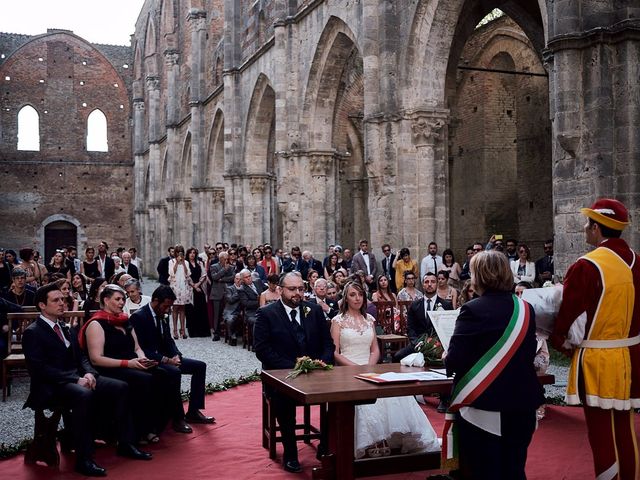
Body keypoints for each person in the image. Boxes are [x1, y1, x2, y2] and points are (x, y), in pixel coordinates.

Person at [550, 198, 640, 479]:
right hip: (631, 357)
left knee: (601, 434)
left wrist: (559, 341)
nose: (585, 228)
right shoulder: (638, 261)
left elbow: (570, 320)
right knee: (626, 429)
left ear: (597, 228)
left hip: (598, 360)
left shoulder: (586, 266)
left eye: (588, 223)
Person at [23, 283, 151, 477]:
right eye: (56, 300)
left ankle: (126, 442)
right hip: (51, 386)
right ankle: (84, 459)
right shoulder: (33, 332)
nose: (62, 303)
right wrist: (76, 379)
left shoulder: (66, 327)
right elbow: (40, 369)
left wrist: (89, 373)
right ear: (42, 305)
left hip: (75, 379)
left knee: (120, 387)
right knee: (84, 395)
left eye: (63, 299)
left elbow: (82, 356)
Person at [444, 250, 544, 479]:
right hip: (522, 404)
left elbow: (455, 361)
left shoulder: (472, 309)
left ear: (480, 276)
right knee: (514, 470)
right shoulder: (525, 308)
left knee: (484, 472)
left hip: (484, 405)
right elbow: (527, 352)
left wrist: (445, 357)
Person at [331, 281, 440, 458]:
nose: (357, 298)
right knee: (361, 397)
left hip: (370, 367)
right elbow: (334, 352)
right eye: (352, 295)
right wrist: (355, 368)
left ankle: (392, 437)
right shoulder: (338, 321)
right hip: (347, 370)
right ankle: (370, 440)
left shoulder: (369, 319)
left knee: (393, 392)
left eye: (360, 294)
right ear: (346, 297)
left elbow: (375, 349)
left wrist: (370, 366)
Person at [253, 272, 335, 473]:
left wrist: (320, 363)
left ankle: (326, 445)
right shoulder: (267, 314)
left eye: (300, 288)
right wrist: (293, 368)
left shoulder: (314, 311)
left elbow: (328, 344)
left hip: (315, 374)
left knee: (337, 397)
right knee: (283, 400)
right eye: (292, 289)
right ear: (280, 290)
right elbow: (262, 350)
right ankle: (290, 452)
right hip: (282, 377)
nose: (297, 293)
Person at [80, 284, 175, 445]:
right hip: (110, 367)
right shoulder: (96, 324)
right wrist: (128, 364)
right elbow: (96, 358)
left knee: (163, 374)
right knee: (144, 380)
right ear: (106, 300)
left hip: (132, 363)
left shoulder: (125, 321)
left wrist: (143, 359)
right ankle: (137, 431)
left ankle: (154, 425)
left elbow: (137, 347)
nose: (122, 302)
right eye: (117, 299)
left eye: (123, 299)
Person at [130, 285, 214, 432]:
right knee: (174, 372)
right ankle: (177, 418)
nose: (168, 310)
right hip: (150, 361)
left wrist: (176, 355)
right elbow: (142, 349)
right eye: (166, 306)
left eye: (170, 306)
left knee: (200, 366)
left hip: (167, 358)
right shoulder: (139, 317)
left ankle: (193, 411)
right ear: (156, 301)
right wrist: (167, 360)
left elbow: (168, 340)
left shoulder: (163, 315)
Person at [209, 251, 235, 341]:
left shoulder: (231, 267)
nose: (227, 260)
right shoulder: (214, 266)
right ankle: (216, 333)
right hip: (217, 293)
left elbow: (233, 278)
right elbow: (214, 277)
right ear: (220, 259)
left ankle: (230, 332)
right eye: (225, 259)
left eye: (227, 258)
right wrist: (224, 270)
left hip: (228, 293)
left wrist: (222, 279)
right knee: (217, 314)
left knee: (229, 312)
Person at [168, 245, 192, 339]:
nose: (179, 254)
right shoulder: (171, 261)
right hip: (175, 286)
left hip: (183, 286)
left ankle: (182, 329)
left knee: (182, 308)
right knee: (175, 308)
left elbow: (188, 274)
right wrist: (177, 263)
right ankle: (174, 330)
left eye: (181, 252)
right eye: (178, 252)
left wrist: (184, 263)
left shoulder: (186, 262)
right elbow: (171, 273)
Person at [185, 247, 209, 337]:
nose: (192, 254)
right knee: (191, 310)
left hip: (199, 287)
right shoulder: (185, 263)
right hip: (190, 288)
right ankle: (193, 331)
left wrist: (198, 284)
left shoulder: (199, 263)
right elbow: (186, 276)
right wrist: (194, 286)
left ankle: (202, 331)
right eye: (190, 252)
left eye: (194, 253)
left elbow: (204, 274)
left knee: (201, 309)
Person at [223, 273, 243, 346]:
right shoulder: (229, 288)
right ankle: (232, 336)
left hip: (242, 311)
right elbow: (230, 300)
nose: (238, 281)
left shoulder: (244, 288)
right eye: (237, 279)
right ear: (234, 279)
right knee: (230, 320)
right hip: (230, 311)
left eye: (240, 279)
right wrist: (239, 291)